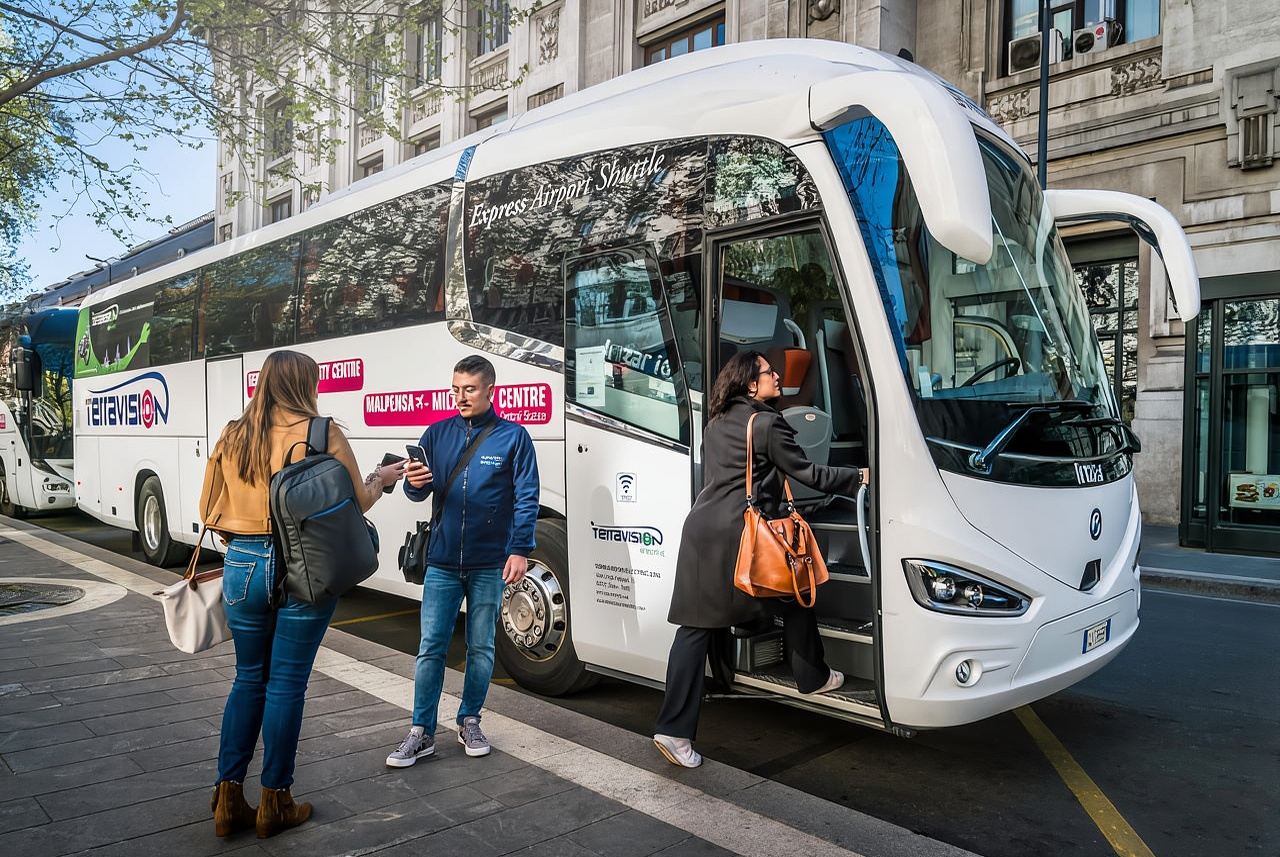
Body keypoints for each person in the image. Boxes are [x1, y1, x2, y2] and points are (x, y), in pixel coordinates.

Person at [199, 350, 404, 838]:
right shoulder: (321, 432)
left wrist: (245, 543)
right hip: (305, 567)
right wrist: (384, 478)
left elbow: (207, 508)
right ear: (306, 384)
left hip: (243, 564)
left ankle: (228, 799)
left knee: (248, 678)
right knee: (287, 683)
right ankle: (276, 801)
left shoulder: (233, 432)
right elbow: (358, 499)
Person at [652, 350, 869, 768]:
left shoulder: (715, 423)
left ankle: (674, 730)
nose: (777, 376)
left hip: (701, 532)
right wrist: (859, 476)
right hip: (742, 537)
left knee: (694, 631)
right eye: (770, 372)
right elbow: (810, 474)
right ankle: (813, 675)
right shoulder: (768, 423)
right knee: (797, 592)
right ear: (751, 384)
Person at [386, 354, 540, 767]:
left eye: (469, 389)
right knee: (430, 647)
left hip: (490, 562)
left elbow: (527, 498)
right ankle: (421, 731)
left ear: (491, 390)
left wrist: (520, 548)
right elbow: (419, 492)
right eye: (455, 388)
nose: (460, 396)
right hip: (441, 561)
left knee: (482, 647)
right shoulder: (436, 434)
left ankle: (470, 719)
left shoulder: (513, 438)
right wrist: (414, 486)